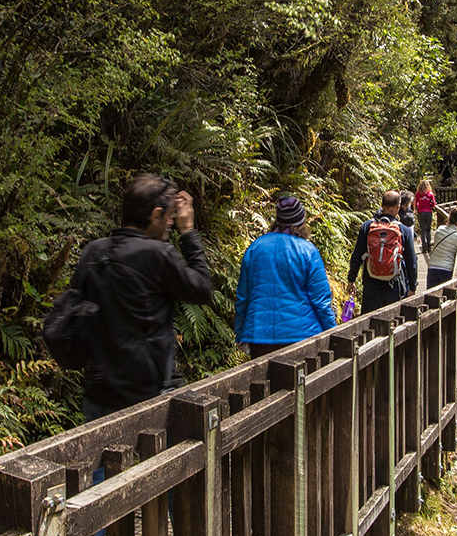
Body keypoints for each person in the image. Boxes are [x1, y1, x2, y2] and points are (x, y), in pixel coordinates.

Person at [71, 173, 215, 424]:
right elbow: (202, 289)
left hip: (100, 391)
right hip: (149, 393)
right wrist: (189, 233)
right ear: (154, 215)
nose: (171, 223)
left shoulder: (93, 251)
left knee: (104, 460)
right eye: (169, 216)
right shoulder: (157, 255)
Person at [234, 196, 336, 358]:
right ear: (301, 221)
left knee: (264, 383)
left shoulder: (255, 248)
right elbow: (321, 302)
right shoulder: (308, 251)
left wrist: (240, 333)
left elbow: (243, 298)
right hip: (302, 336)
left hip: (259, 337)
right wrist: (334, 332)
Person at [347, 190, 418, 314]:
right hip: (394, 286)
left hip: (371, 285)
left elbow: (357, 255)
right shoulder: (403, 230)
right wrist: (412, 287)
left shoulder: (367, 227)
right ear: (398, 207)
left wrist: (351, 280)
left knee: (368, 324)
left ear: (381, 205)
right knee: (394, 324)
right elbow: (412, 261)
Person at [426, 206, 457, 288]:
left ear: (449, 219)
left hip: (433, 267)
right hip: (446, 269)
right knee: (445, 295)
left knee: (430, 296)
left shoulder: (439, 230)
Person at [413, 179, 437, 255]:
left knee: (422, 230)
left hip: (421, 212)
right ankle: (429, 247)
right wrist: (429, 204)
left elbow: (415, 203)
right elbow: (433, 204)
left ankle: (424, 248)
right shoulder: (430, 194)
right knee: (428, 230)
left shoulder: (417, 194)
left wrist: (416, 208)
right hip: (428, 212)